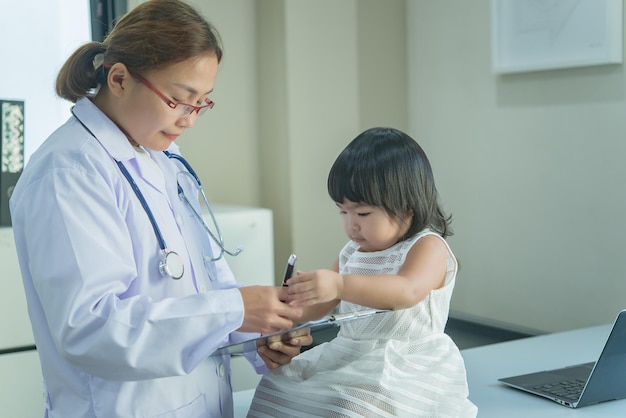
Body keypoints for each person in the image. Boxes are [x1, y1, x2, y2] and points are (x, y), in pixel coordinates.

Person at [9, 1, 311, 417]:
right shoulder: (69, 170)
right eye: (180, 100)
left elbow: (204, 287)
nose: (190, 119)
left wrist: (256, 334)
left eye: (202, 102)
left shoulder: (162, 159)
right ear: (119, 78)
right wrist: (234, 309)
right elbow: (91, 329)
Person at [248, 127, 478, 417]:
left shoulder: (428, 246)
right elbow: (321, 304)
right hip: (349, 354)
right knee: (278, 387)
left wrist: (339, 285)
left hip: (407, 363)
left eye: (363, 214)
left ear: (407, 206)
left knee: (351, 404)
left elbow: (405, 291)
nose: (351, 225)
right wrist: (290, 313)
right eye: (343, 212)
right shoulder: (351, 253)